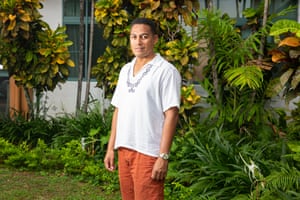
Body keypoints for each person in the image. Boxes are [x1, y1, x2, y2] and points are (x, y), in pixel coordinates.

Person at [104, 17, 181, 200]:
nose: (138, 42)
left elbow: (172, 114)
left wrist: (162, 156)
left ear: (155, 39)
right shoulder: (125, 70)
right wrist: (110, 148)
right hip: (125, 149)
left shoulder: (165, 71)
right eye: (134, 37)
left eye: (144, 36)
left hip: (148, 152)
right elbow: (118, 110)